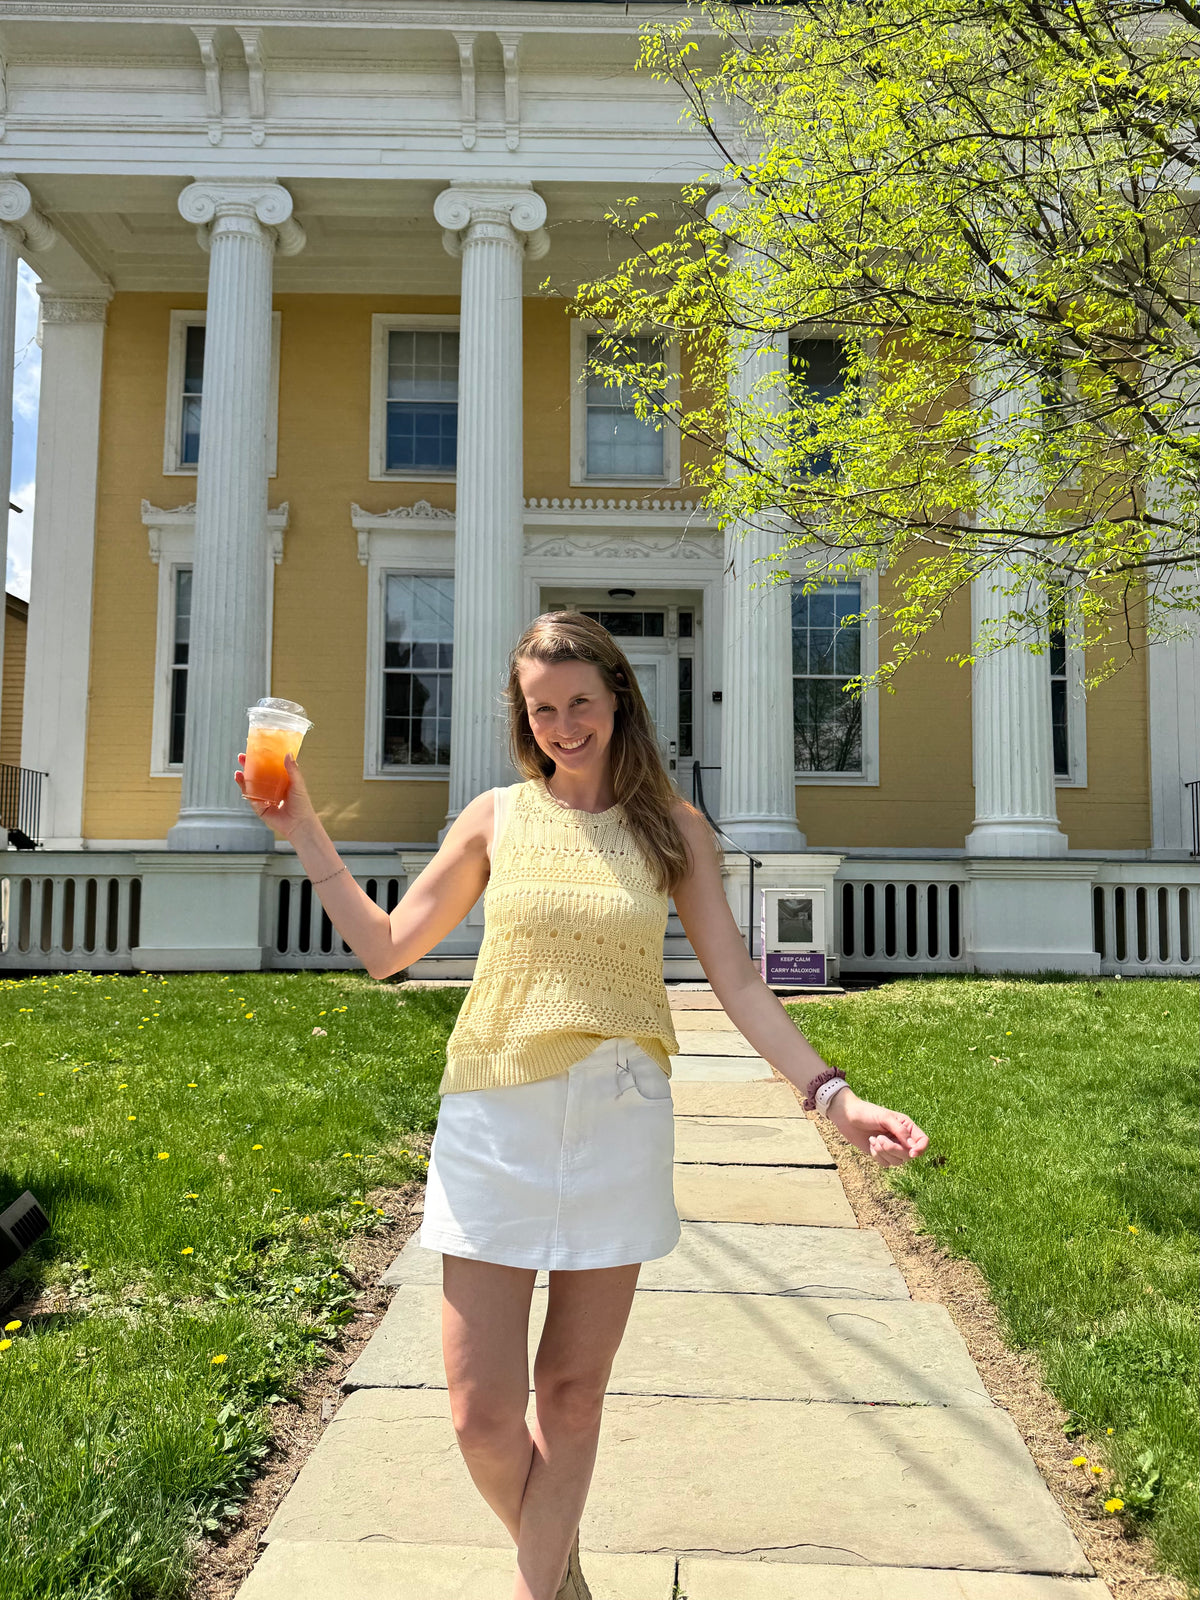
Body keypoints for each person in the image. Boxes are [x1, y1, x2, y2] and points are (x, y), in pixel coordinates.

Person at [235, 610, 929, 1600]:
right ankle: (562, 1578)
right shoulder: (493, 817)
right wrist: (303, 827)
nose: (564, 725)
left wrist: (834, 1096)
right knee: (480, 1413)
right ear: (524, 717)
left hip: (618, 1117)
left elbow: (736, 979)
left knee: (568, 1394)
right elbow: (388, 947)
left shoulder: (677, 831)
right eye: (543, 708)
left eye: (580, 704)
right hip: (494, 1119)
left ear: (618, 701)